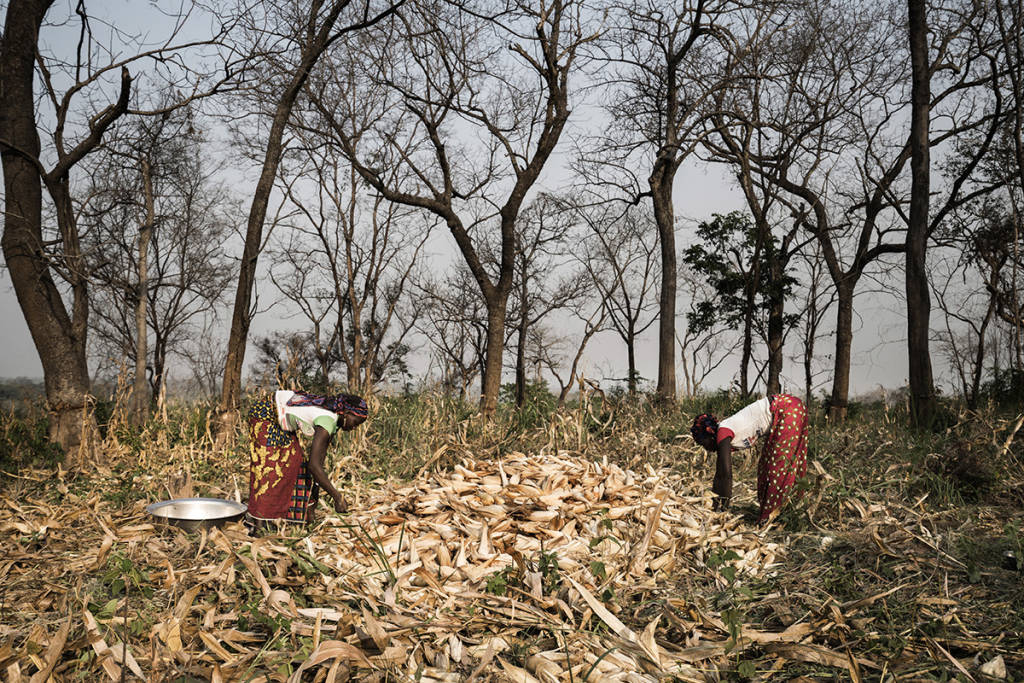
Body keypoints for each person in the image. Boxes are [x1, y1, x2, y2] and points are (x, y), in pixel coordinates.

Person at [246, 389, 368, 530]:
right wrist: (337, 497)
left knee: (297, 463)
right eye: (356, 422)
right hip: (265, 414)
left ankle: (299, 517)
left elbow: (317, 466)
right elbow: (314, 467)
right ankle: (260, 523)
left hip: (278, 419)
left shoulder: (333, 421)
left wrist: (313, 505)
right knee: (271, 470)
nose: (354, 427)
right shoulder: (327, 420)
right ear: (346, 414)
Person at [690, 394, 808, 523]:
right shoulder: (723, 435)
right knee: (766, 468)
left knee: (778, 467)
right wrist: (715, 502)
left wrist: (723, 509)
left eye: (703, 443)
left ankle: (771, 518)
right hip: (788, 408)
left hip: (786, 409)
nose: (706, 448)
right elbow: (719, 474)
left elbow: (726, 475)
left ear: (709, 434)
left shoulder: (723, 432)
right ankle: (777, 513)